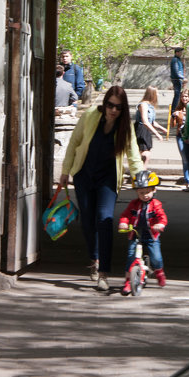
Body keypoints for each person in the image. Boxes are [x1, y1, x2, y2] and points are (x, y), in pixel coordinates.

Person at [59, 85, 142, 291]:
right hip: (84, 175)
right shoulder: (89, 116)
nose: (113, 110)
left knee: (104, 220)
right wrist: (65, 170)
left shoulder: (125, 126)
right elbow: (74, 143)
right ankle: (94, 259)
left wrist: (141, 179)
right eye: (110, 105)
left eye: (118, 107)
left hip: (107, 179)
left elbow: (133, 154)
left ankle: (104, 273)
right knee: (87, 221)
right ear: (104, 104)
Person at [118, 170, 167, 295]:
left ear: (154, 190)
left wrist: (160, 224)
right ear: (137, 192)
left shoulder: (156, 204)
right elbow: (125, 215)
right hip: (135, 233)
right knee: (131, 256)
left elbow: (162, 217)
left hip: (151, 234)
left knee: (156, 257)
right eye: (141, 193)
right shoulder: (133, 204)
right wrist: (123, 222)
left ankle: (159, 271)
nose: (145, 195)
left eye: (148, 192)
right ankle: (128, 281)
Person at [134, 86, 167, 165]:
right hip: (141, 129)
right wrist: (156, 133)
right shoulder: (143, 105)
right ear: (152, 94)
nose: (158, 95)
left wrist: (162, 128)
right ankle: (140, 173)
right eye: (157, 93)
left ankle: (142, 172)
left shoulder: (150, 106)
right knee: (145, 154)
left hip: (147, 130)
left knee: (146, 154)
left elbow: (152, 122)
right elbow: (145, 121)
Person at [170, 47, 185, 112]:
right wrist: (182, 78)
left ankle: (176, 108)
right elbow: (176, 71)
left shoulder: (178, 60)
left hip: (178, 79)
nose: (181, 53)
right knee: (177, 95)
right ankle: (174, 109)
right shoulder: (175, 60)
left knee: (178, 95)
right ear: (177, 52)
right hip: (176, 79)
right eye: (180, 52)